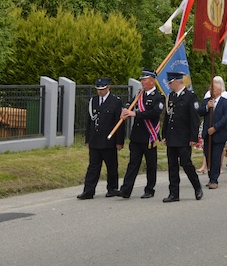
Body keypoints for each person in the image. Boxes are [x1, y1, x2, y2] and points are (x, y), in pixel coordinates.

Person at [119, 68, 164, 199]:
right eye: (142, 80)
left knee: (151, 164)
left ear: (152, 81)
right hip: (137, 135)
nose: (142, 82)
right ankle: (126, 190)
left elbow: (154, 113)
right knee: (133, 163)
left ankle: (149, 189)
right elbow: (130, 104)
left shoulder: (159, 97)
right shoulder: (140, 94)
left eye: (144, 80)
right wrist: (125, 110)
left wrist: (135, 114)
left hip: (149, 136)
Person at [78, 78, 125, 200]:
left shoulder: (115, 101)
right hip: (95, 139)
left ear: (108, 88)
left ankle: (112, 188)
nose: (100, 91)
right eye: (98, 89)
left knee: (111, 166)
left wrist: (119, 141)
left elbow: (119, 123)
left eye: (102, 89)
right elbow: (89, 122)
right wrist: (87, 139)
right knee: (93, 167)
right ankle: (88, 191)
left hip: (109, 140)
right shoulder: (93, 101)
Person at [161, 72, 202, 202]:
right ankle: (174, 193)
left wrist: (193, 138)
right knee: (172, 165)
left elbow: (195, 119)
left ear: (177, 82)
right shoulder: (171, 96)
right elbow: (167, 117)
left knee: (186, 164)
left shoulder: (190, 97)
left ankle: (197, 187)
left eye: (170, 82)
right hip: (172, 136)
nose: (169, 85)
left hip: (184, 137)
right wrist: (164, 134)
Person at [197, 76, 227, 189]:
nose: (211, 91)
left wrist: (215, 128)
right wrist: (207, 107)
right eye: (211, 89)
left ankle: (214, 179)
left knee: (216, 157)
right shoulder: (207, 101)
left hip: (219, 134)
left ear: (220, 90)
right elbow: (199, 112)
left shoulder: (225, 102)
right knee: (208, 156)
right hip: (207, 134)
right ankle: (210, 176)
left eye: (214, 89)